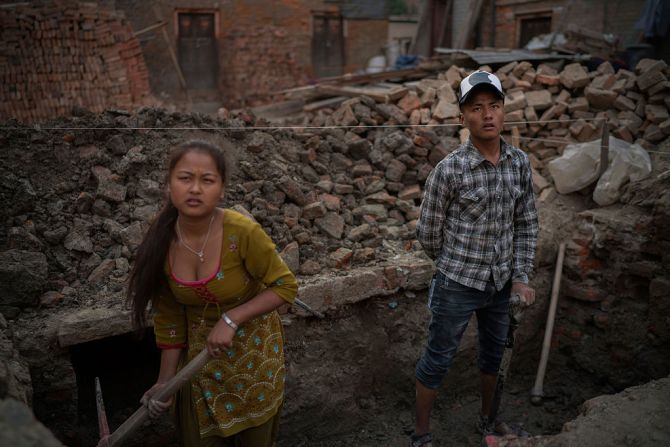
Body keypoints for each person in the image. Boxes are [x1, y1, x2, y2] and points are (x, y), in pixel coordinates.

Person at [127, 140, 298, 447]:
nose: (195, 189)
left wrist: (232, 318)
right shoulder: (161, 241)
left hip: (254, 361)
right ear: (169, 185)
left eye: (206, 180)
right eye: (184, 178)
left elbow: (285, 286)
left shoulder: (242, 232)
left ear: (221, 189)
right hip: (199, 370)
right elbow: (168, 316)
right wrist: (165, 382)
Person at [409, 71, 539, 447]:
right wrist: (453, 264)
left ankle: (488, 423)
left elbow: (526, 224)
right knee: (439, 356)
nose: (487, 115)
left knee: (494, 355)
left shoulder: (518, 163)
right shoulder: (449, 170)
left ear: (503, 112)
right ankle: (421, 436)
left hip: (500, 284)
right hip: (456, 283)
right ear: (462, 117)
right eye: (477, 107)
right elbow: (428, 233)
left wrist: (520, 277)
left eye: (494, 106)